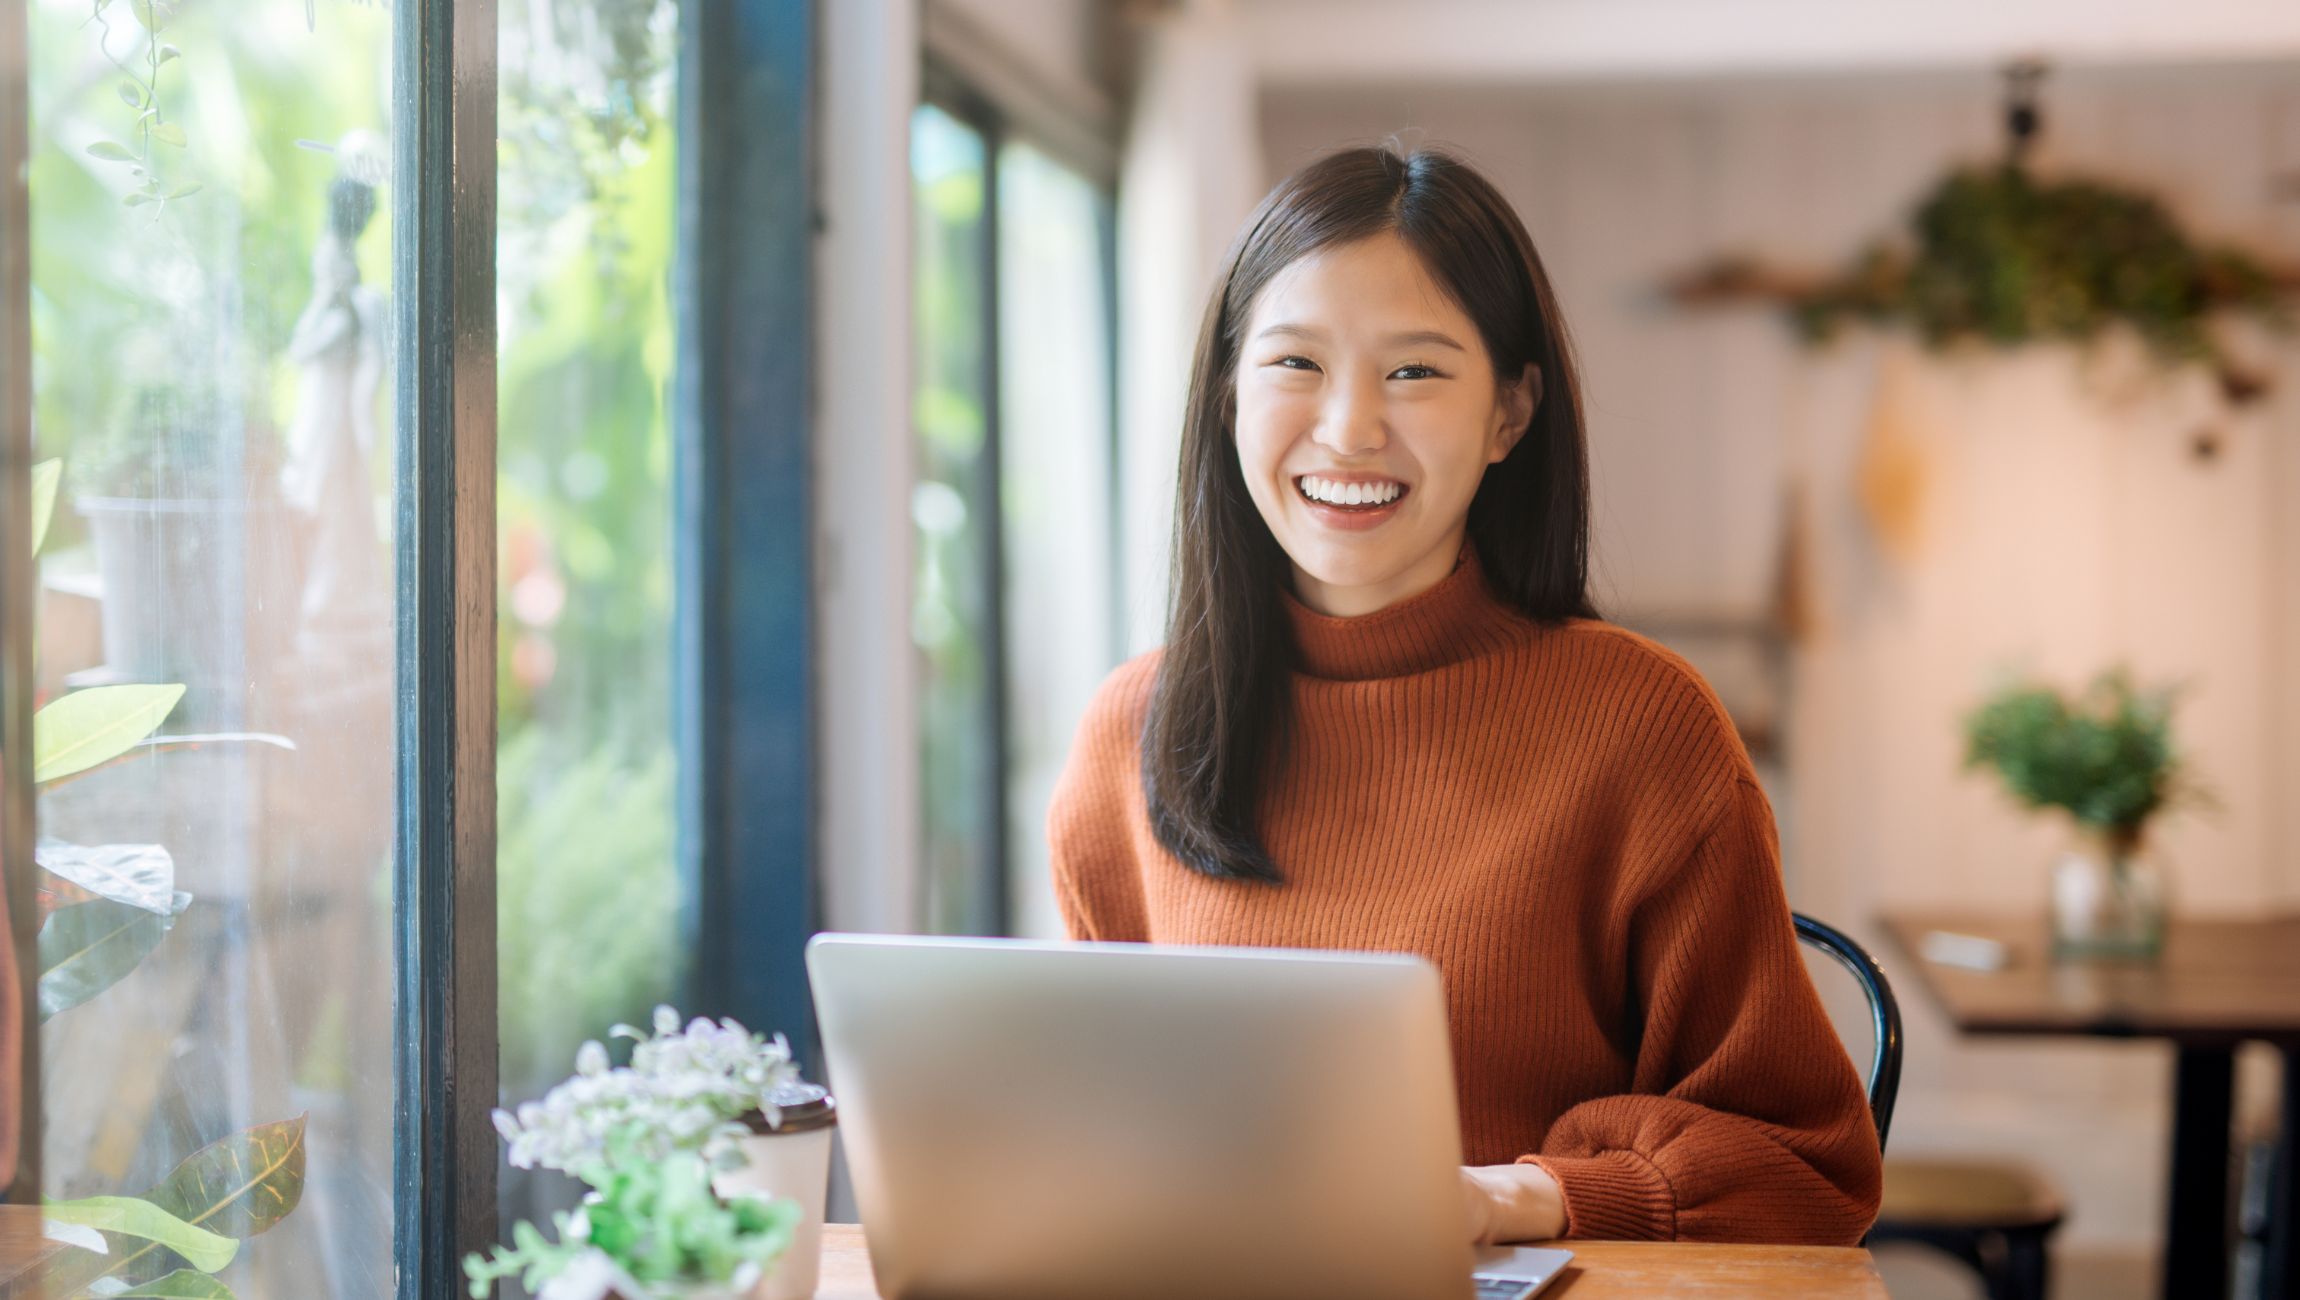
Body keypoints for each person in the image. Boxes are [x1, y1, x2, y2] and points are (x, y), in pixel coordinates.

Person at [1046, 145, 1883, 1246]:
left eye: (1414, 372)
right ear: (1225, 396)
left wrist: (1520, 1196)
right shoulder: (1132, 731)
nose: (1347, 429)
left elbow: (1806, 1162)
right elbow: (1083, 1119)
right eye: (1294, 363)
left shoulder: (1640, 727)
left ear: (1509, 414)